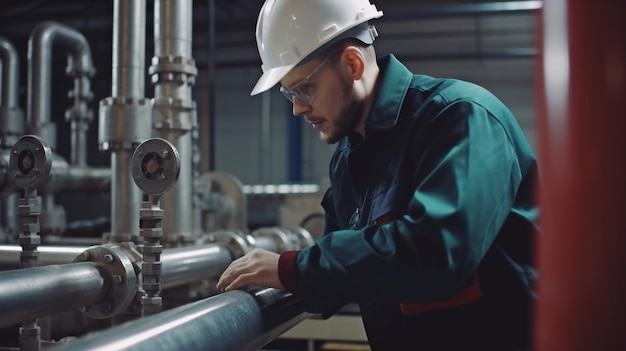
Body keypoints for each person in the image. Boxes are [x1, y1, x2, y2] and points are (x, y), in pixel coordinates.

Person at [217, 0, 539, 350]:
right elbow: (345, 274)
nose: (297, 108)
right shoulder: (347, 160)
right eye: (289, 93)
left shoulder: (460, 118)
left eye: (305, 89)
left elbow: (436, 252)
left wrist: (292, 269)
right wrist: (276, 286)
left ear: (352, 64)